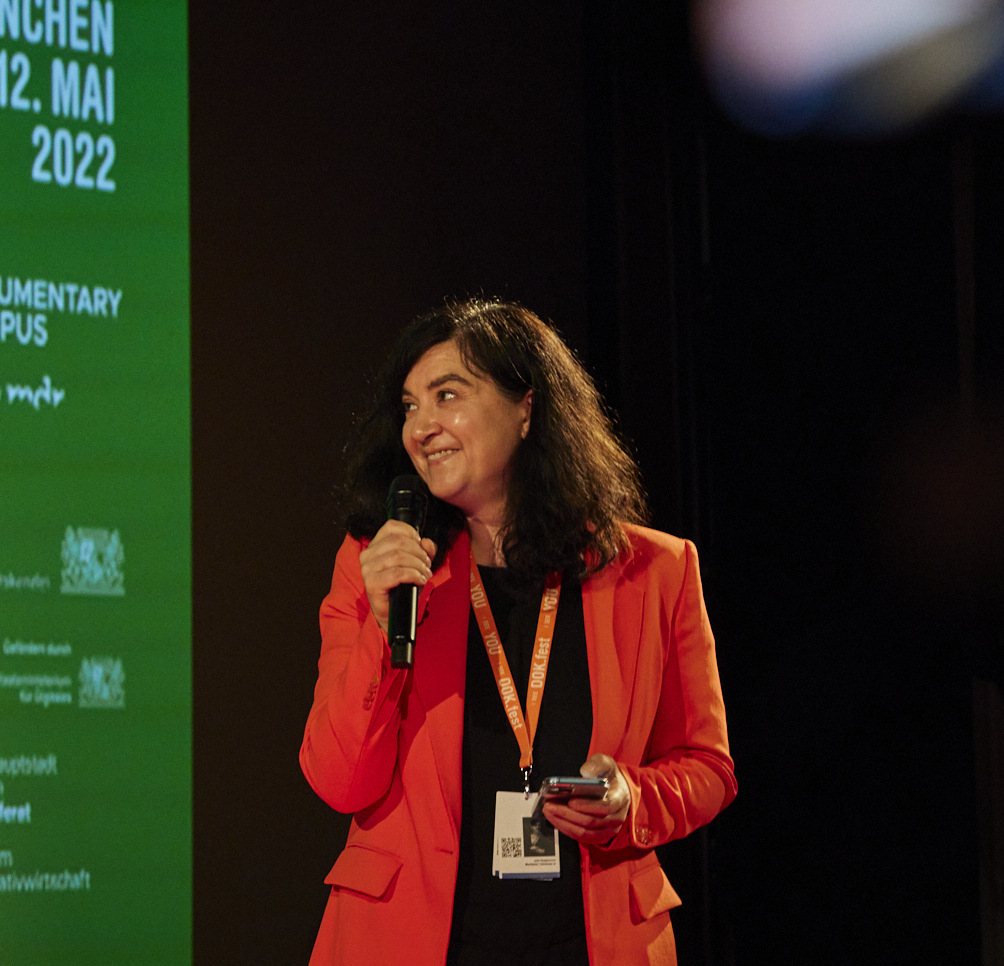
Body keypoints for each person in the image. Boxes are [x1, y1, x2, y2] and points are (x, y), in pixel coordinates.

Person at [300, 299, 734, 965]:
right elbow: (338, 780)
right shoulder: (380, 565)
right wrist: (381, 636)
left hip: (593, 945)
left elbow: (707, 767)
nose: (421, 427)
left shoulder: (655, 571)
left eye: (447, 395)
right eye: (409, 406)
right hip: (411, 944)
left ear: (526, 409)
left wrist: (633, 799)